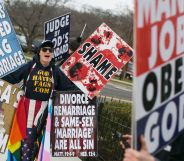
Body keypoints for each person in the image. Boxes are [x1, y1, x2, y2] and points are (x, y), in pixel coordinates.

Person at [2, 40, 74, 161]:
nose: (47, 52)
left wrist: (89, 93)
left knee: (36, 147)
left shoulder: (55, 71)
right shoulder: (30, 66)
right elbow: (12, 77)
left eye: (50, 50)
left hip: (44, 117)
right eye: (44, 49)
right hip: (24, 114)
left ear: (52, 54)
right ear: (39, 52)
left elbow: (68, 87)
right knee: (23, 145)